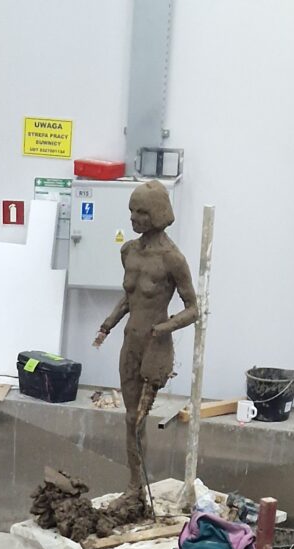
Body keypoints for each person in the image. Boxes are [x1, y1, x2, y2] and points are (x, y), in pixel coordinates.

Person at [92, 180, 197, 513]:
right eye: (131, 211)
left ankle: (139, 490)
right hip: (130, 343)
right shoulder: (129, 252)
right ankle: (134, 488)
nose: (133, 218)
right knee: (129, 419)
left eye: (141, 212)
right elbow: (130, 297)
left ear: (157, 214)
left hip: (155, 348)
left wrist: (165, 328)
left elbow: (194, 308)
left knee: (138, 420)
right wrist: (107, 325)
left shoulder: (172, 259)